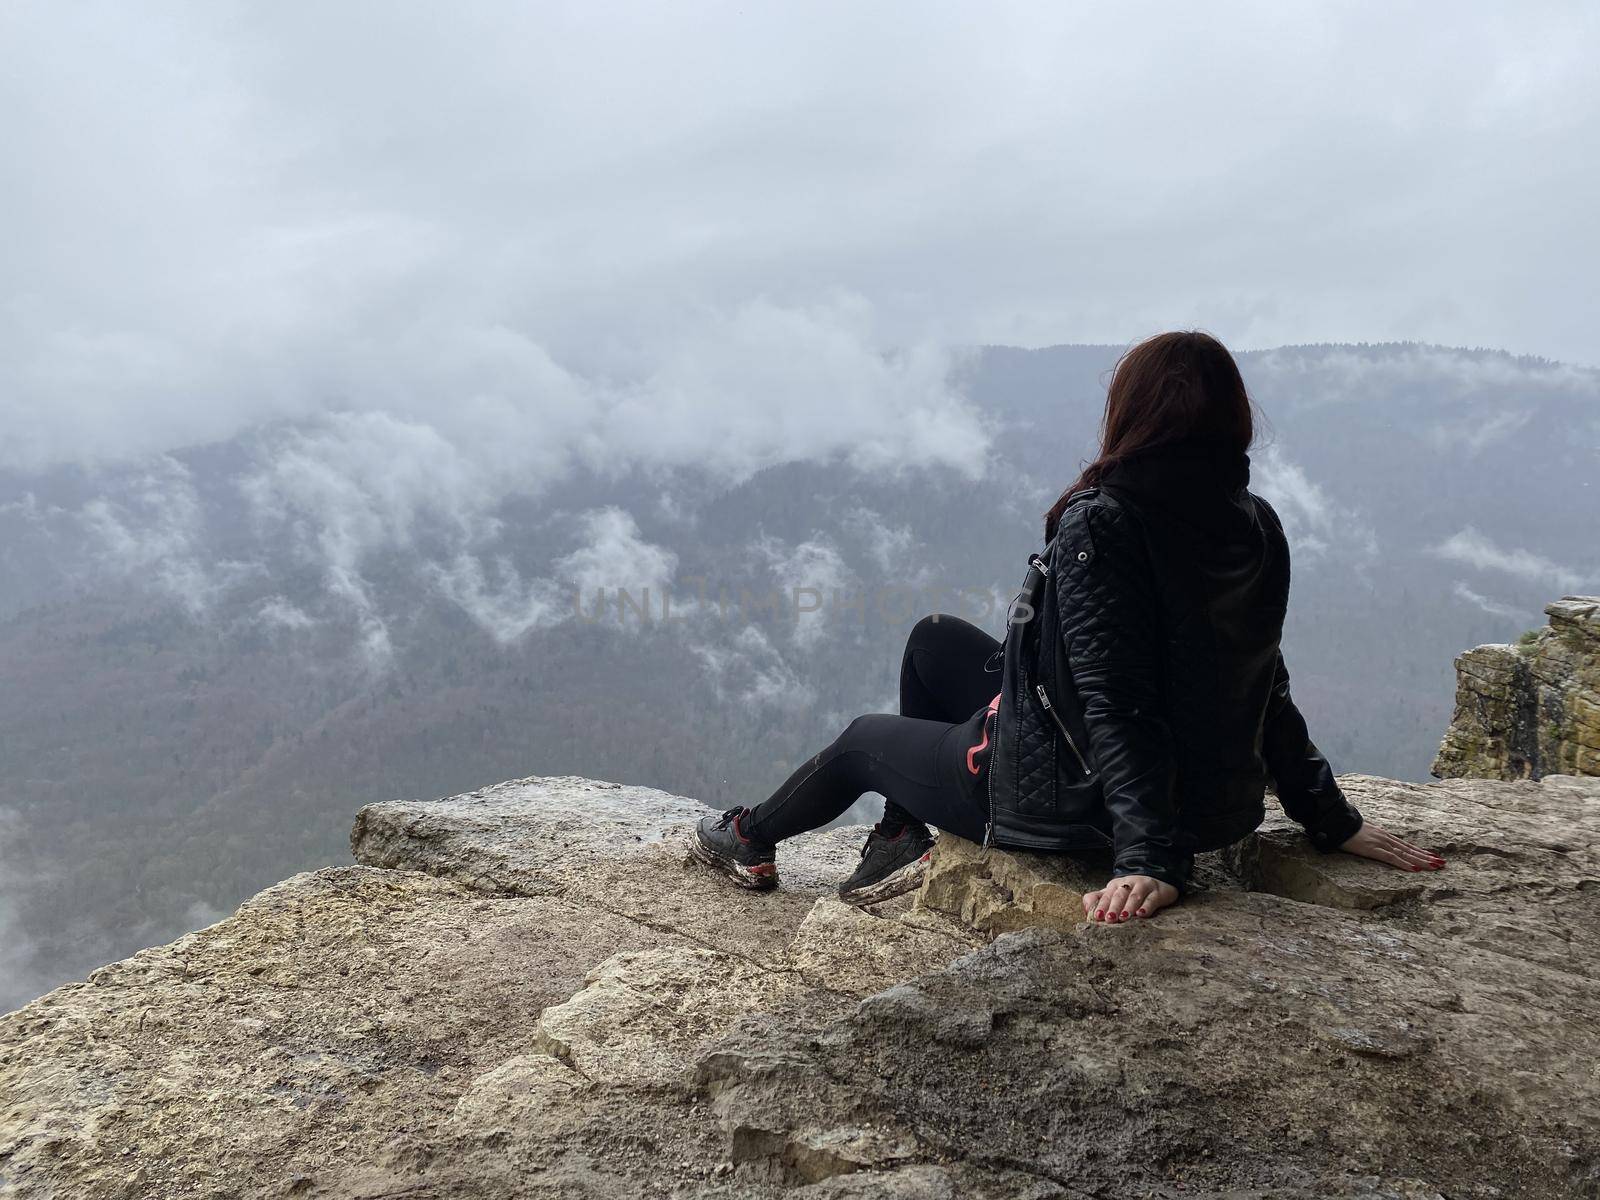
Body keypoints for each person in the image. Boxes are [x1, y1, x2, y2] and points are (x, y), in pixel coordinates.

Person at [691, 331, 1445, 920]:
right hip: (1182, 791)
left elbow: (1116, 699)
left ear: (1132, 414)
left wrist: (1147, 855)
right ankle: (901, 834)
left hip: (1071, 800)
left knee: (860, 739)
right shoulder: (1255, 523)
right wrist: (1326, 815)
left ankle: (749, 838)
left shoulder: (1106, 521)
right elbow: (1261, 681)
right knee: (932, 639)